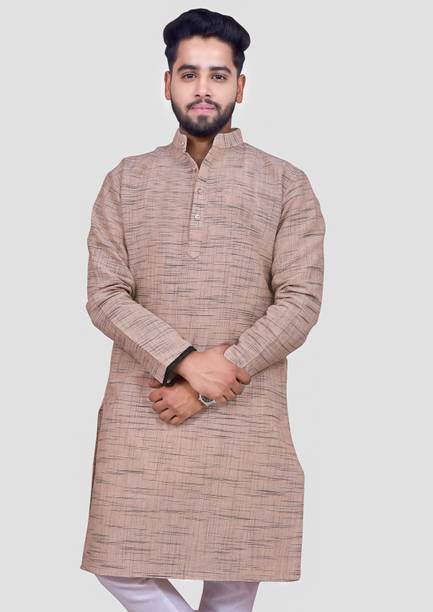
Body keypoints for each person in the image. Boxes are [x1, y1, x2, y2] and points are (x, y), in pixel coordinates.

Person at [80, 7, 326, 611]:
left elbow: (299, 301)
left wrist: (211, 385)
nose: (203, 89)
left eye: (218, 75)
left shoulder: (285, 183)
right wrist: (186, 361)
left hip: (246, 411)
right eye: (189, 74)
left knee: (235, 578)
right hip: (144, 410)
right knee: (118, 563)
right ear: (167, 82)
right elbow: (105, 294)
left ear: (240, 85)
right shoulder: (126, 180)